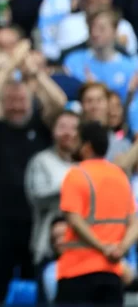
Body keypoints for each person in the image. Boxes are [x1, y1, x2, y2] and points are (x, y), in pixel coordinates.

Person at [56, 121, 138, 306]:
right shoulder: (120, 176)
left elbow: (75, 220)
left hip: (77, 271)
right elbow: (135, 223)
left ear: (86, 147)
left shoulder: (75, 175)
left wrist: (102, 247)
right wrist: (120, 249)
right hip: (112, 273)